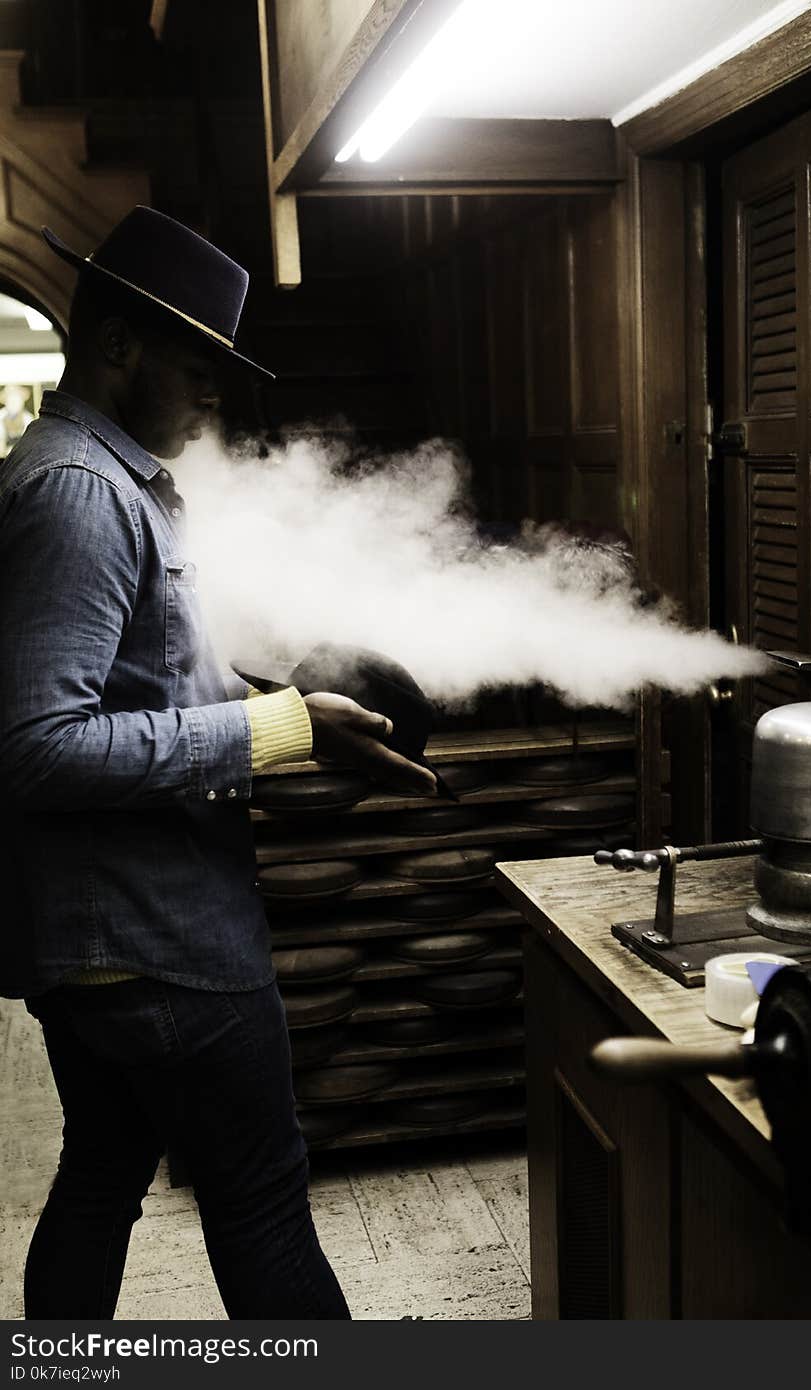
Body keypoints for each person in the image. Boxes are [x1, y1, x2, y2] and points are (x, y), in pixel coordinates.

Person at [0, 205, 436, 1319]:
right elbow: (40, 747)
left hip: (108, 944)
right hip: (162, 946)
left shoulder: (95, 479)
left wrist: (279, 703)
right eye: (198, 366)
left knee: (100, 1177)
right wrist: (284, 728)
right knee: (261, 1198)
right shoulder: (84, 496)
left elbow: (127, 692)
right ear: (116, 348)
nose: (213, 394)